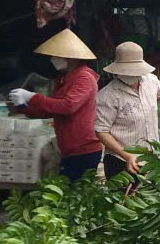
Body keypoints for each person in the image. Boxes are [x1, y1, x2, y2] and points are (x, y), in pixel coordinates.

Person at [8, 28, 102, 182]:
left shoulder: (84, 77)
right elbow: (52, 109)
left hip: (84, 148)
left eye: (55, 56)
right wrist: (24, 106)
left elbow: (68, 106)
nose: (52, 59)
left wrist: (32, 97)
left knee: (77, 194)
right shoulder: (65, 79)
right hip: (69, 148)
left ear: (69, 58)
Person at [94, 42, 160, 178]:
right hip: (120, 161)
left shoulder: (150, 81)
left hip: (151, 158)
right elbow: (101, 131)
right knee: (124, 196)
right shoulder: (107, 95)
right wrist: (126, 155)